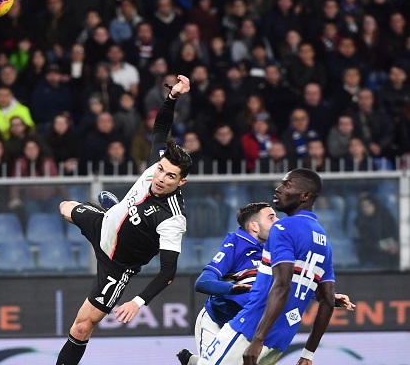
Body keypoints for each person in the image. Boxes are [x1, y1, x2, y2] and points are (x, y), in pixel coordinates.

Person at [56, 75, 192, 365]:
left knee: (81, 327)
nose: (161, 178)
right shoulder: (157, 164)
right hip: (104, 226)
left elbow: (167, 272)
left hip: (116, 266)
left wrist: (137, 301)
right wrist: (173, 97)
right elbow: (161, 127)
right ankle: (114, 213)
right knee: (65, 207)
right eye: (161, 170)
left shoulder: (173, 219)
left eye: (170, 176)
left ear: (181, 182)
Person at [177, 202, 355, 365]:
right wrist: (232, 288)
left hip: (250, 326)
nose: (278, 221)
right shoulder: (236, 244)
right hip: (217, 321)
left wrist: (325, 296)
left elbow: (287, 284)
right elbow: (202, 282)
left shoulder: (278, 247)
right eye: (271, 218)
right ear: (254, 226)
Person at [199, 169, 336, 365]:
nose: (278, 189)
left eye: (287, 185)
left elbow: (282, 285)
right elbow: (328, 301)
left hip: (250, 329)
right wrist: (308, 354)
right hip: (281, 339)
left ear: (305, 195)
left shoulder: (283, 228)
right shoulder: (324, 242)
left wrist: (257, 339)